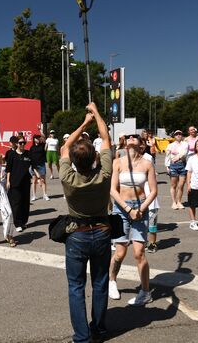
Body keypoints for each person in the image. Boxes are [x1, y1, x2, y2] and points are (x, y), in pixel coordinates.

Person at [60, 102, 112, 343]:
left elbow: (66, 145)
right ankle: (99, 329)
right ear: (94, 158)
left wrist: (84, 123)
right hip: (101, 232)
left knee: (76, 287)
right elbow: (106, 138)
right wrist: (96, 114)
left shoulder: (68, 178)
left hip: (77, 234)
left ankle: (81, 337)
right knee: (100, 283)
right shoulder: (104, 175)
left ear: (73, 161)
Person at [109, 133, 157, 306]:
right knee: (120, 252)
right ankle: (112, 281)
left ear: (141, 144)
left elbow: (153, 191)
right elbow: (113, 190)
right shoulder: (118, 162)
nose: (130, 138)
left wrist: (140, 209)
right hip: (121, 208)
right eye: (128, 137)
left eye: (135, 137)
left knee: (139, 253)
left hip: (140, 209)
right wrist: (128, 209)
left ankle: (145, 292)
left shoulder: (147, 164)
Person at [5, 135, 32, 232]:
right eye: (20, 143)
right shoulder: (12, 155)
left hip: (26, 182)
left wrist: (37, 176)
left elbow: (33, 166)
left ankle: (23, 222)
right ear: (16, 144)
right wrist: (8, 181)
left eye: (24, 143)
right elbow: (8, 169)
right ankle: (17, 223)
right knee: (16, 203)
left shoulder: (28, 154)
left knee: (25, 203)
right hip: (15, 182)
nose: (22, 144)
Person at [165, 130, 188, 209]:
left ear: (182, 135)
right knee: (173, 185)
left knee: (181, 185)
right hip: (173, 166)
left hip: (182, 165)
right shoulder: (170, 145)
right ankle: (174, 202)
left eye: (180, 134)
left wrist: (178, 157)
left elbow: (184, 153)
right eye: (176, 134)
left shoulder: (185, 144)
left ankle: (179, 201)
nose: (178, 135)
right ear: (174, 136)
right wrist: (167, 166)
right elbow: (167, 156)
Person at [29, 134, 49, 201]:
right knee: (34, 181)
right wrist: (33, 167)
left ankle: (45, 195)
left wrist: (40, 130)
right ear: (34, 139)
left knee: (43, 181)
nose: (37, 139)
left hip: (41, 165)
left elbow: (44, 138)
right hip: (34, 166)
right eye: (36, 138)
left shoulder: (42, 145)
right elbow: (30, 158)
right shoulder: (32, 148)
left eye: (38, 138)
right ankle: (34, 195)